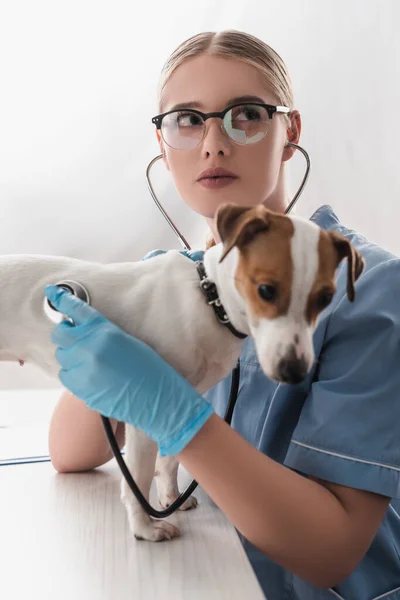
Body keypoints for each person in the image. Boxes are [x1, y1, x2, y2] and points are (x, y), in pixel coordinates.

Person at [47, 30, 400, 599]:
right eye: (186, 120)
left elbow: (331, 551)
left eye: (246, 115)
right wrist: (112, 339)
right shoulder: (162, 281)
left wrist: (175, 415)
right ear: (162, 146)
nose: (213, 143)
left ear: (290, 133)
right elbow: (71, 453)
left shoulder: (370, 289)